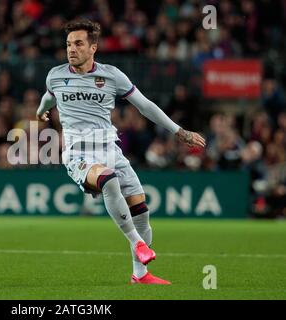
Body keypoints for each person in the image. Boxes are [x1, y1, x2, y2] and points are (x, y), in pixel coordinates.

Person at [36, 20, 206, 285]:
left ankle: (140, 275)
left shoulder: (112, 75)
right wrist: (40, 110)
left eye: (78, 43)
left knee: (140, 209)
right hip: (77, 152)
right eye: (69, 44)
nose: (72, 49)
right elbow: (48, 97)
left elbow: (146, 106)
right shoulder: (55, 75)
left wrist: (179, 131)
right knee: (108, 179)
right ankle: (138, 243)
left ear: (93, 47)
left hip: (109, 149)